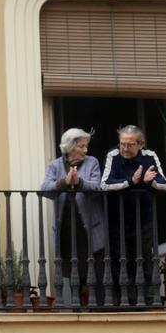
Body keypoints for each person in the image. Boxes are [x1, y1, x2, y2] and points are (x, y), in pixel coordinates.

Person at [101, 125, 166, 300]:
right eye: (122, 144)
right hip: (117, 219)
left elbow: (164, 184)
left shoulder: (150, 156)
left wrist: (149, 181)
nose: (124, 148)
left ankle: (147, 299)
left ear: (141, 144)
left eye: (129, 144)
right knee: (120, 260)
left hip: (143, 218)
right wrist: (131, 181)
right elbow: (105, 184)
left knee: (145, 258)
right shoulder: (113, 155)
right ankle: (124, 300)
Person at [39, 127, 105, 300]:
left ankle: (95, 308)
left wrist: (80, 182)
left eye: (86, 146)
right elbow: (44, 189)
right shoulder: (54, 166)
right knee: (75, 272)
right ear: (70, 147)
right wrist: (64, 182)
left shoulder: (92, 162)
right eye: (82, 146)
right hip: (67, 229)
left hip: (90, 228)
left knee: (95, 271)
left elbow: (98, 187)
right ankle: (80, 309)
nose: (86, 150)